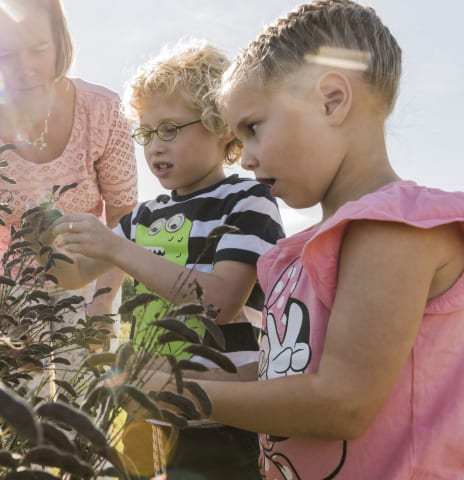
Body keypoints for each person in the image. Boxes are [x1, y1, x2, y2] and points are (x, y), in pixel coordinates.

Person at [134, 1, 464, 478]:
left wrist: (182, 393)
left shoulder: (394, 229)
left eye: (253, 128)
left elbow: (341, 402)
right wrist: (171, 378)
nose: (244, 158)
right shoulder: (301, 252)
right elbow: (284, 374)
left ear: (331, 100)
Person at [41, 39, 284, 479]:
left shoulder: (248, 201)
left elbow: (219, 304)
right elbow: (76, 275)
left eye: (170, 129)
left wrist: (117, 248)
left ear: (221, 127)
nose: (155, 146)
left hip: (220, 419)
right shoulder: (144, 217)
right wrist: (46, 236)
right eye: (147, 132)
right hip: (145, 408)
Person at [0, 0, 137, 383]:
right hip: (0, 290)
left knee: (83, 416)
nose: (26, 68)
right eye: (6, 54)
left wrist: (101, 303)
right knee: (15, 422)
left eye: (39, 50)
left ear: (59, 42)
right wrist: (6, 318)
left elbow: (123, 218)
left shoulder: (103, 110)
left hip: (88, 279)